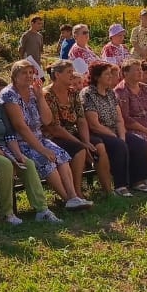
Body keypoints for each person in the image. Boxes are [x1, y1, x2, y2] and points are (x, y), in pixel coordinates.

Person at [0, 69, 60, 224]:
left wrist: (18, 155)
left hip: (3, 147)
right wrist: (9, 158)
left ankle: (42, 209)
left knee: (27, 163)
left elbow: (9, 134)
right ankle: (6, 213)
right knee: (6, 165)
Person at [0, 60, 92, 209]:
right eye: (24, 73)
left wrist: (40, 97)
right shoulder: (9, 95)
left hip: (39, 137)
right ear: (14, 76)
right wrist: (42, 150)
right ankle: (67, 199)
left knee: (61, 155)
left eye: (31, 72)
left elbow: (47, 120)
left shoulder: (33, 91)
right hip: (20, 142)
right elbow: (20, 127)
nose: (29, 76)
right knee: (46, 159)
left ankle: (73, 196)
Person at [80, 61, 147, 197]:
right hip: (98, 132)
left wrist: (122, 136)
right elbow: (94, 124)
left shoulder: (111, 93)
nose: (110, 77)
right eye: (106, 74)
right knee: (119, 146)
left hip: (115, 130)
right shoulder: (88, 94)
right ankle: (120, 185)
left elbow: (119, 119)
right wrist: (115, 137)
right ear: (96, 77)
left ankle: (138, 181)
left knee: (139, 143)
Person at [43, 59, 105, 201]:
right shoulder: (48, 95)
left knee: (98, 145)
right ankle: (76, 191)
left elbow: (81, 118)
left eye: (72, 71)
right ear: (57, 75)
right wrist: (81, 143)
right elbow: (55, 128)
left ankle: (106, 188)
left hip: (72, 132)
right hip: (54, 136)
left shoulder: (72, 92)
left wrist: (86, 140)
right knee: (79, 150)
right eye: (68, 72)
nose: (72, 75)